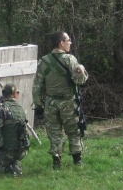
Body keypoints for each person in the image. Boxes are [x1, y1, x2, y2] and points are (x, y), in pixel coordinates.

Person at [32, 31, 88, 169]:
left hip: (50, 103)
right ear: (61, 43)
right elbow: (80, 80)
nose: (70, 43)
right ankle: (77, 161)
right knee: (74, 131)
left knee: (54, 133)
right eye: (68, 40)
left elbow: (37, 85)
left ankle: (56, 161)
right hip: (68, 102)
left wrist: (38, 104)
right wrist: (81, 70)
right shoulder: (70, 60)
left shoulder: (44, 61)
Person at [0, 83, 30, 176]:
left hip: (6, 152)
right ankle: (14, 163)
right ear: (15, 94)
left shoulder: (2, 108)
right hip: (22, 151)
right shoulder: (20, 109)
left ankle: (6, 168)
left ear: (3, 94)